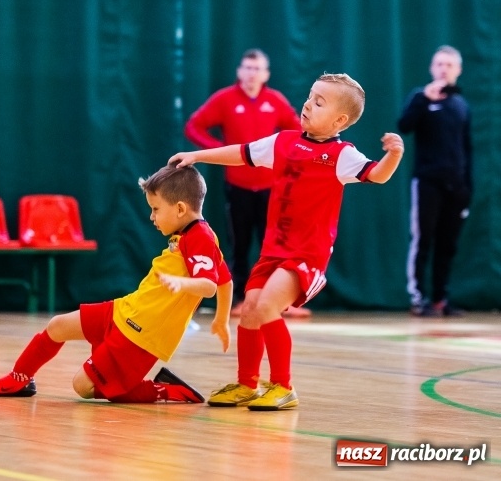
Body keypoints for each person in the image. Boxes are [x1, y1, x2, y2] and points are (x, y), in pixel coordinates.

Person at [170, 73, 404, 410]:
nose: (308, 103)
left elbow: (378, 175)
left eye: (319, 101)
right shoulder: (283, 142)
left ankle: (283, 386)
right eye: (310, 96)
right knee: (249, 311)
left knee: (266, 306)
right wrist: (197, 156)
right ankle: (247, 384)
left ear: (339, 120)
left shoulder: (342, 155)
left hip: (308, 254)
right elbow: (243, 153)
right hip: (272, 251)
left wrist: (393, 154)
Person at [0, 164, 233, 403]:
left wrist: (183, 284)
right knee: (58, 326)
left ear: (179, 209)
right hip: (127, 310)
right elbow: (225, 279)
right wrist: (221, 319)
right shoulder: (192, 234)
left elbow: (209, 285)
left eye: (156, 209)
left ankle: (165, 389)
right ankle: (19, 379)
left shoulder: (201, 237)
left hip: (142, 334)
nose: (151, 217)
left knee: (83, 387)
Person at [185, 49, 307, 318]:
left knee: (275, 243)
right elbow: (194, 126)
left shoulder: (274, 101)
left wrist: (287, 156)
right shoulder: (225, 99)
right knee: (238, 244)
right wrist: (219, 150)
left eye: (257, 69)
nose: (252, 74)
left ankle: (280, 301)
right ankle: (240, 299)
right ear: (240, 71)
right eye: (247, 68)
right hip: (238, 185)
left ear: (266, 74)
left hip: (272, 188)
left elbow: (300, 131)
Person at [398, 45, 471, 317]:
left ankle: (441, 298)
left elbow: (467, 149)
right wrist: (423, 101)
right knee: (423, 240)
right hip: (427, 183)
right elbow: (404, 125)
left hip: (456, 187)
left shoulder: (461, 105)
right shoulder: (420, 97)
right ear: (432, 68)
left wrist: (467, 187)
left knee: (447, 244)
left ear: (458, 70)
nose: (444, 69)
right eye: (439, 64)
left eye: (449, 65)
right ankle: (418, 298)